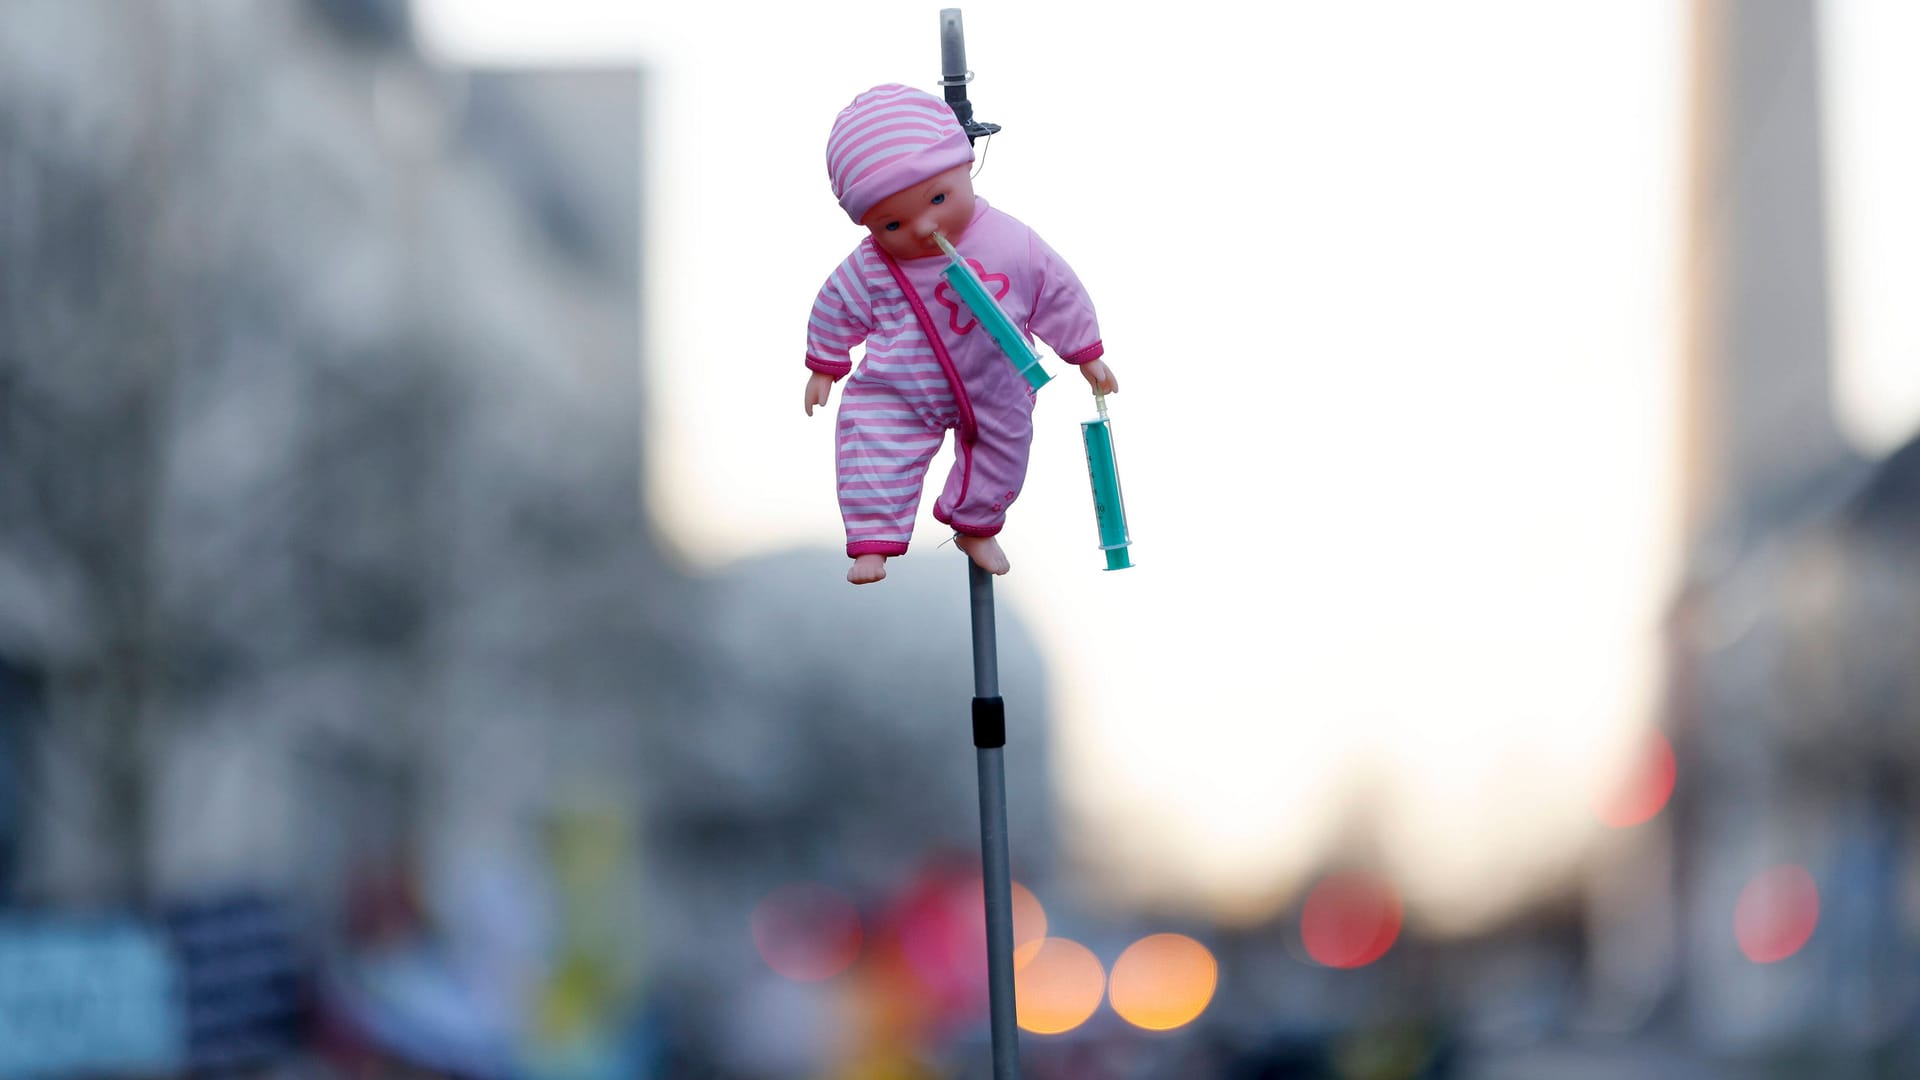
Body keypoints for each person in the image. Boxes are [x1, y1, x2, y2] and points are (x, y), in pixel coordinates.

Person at [803, 84, 1118, 585]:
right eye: (892, 223)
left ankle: (977, 524)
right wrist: (825, 364)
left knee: (1004, 449)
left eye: (938, 198)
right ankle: (872, 541)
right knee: (872, 441)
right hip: (901, 386)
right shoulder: (872, 266)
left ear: (965, 168)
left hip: (997, 381)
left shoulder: (1009, 241)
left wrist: (1086, 354)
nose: (924, 224)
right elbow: (835, 304)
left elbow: (1057, 289)